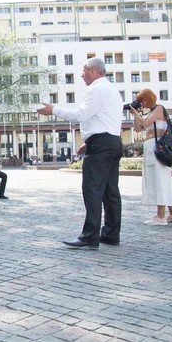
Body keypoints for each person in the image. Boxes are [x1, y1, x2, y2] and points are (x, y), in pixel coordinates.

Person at [38, 57, 123, 248]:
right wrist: (89, 141)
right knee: (111, 191)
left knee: (92, 190)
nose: (82, 75)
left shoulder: (96, 90)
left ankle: (90, 235)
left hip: (101, 145)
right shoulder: (112, 90)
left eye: (84, 71)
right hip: (113, 142)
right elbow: (104, 120)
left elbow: (81, 114)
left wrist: (55, 110)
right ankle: (111, 233)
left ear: (93, 71)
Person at [128, 89, 172, 225]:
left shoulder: (159, 108)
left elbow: (145, 123)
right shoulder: (150, 112)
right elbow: (139, 129)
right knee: (160, 179)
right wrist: (135, 114)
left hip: (158, 148)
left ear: (149, 98)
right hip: (151, 147)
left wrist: (137, 113)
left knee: (159, 179)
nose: (142, 103)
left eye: (142, 100)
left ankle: (160, 217)